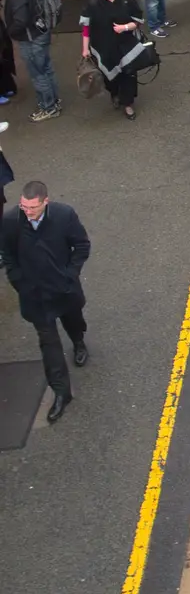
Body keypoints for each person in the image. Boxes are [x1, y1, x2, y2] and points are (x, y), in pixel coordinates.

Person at [0, 180, 90, 424]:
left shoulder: (64, 215)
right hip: (35, 297)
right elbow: (7, 253)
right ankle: (62, 393)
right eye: (24, 207)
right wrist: (18, 281)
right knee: (48, 344)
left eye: (33, 208)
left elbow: (81, 245)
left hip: (64, 290)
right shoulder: (10, 221)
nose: (27, 212)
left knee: (73, 320)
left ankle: (79, 342)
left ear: (45, 202)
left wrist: (70, 275)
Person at [1, 0, 61, 121]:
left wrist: (11, 33)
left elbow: (20, 20)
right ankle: (55, 100)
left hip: (30, 37)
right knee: (46, 68)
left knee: (38, 73)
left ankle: (48, 107)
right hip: (42, 31)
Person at [81, 0, 149, 119]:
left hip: (126, 45)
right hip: (102, 46)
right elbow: (86, 29)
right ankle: (114, 94)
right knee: (108, 75)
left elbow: (137, 23)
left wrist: (124, 27)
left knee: (128, 74)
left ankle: (128, 104)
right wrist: (85, 48)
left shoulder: (127, 1)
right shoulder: (93, 3)